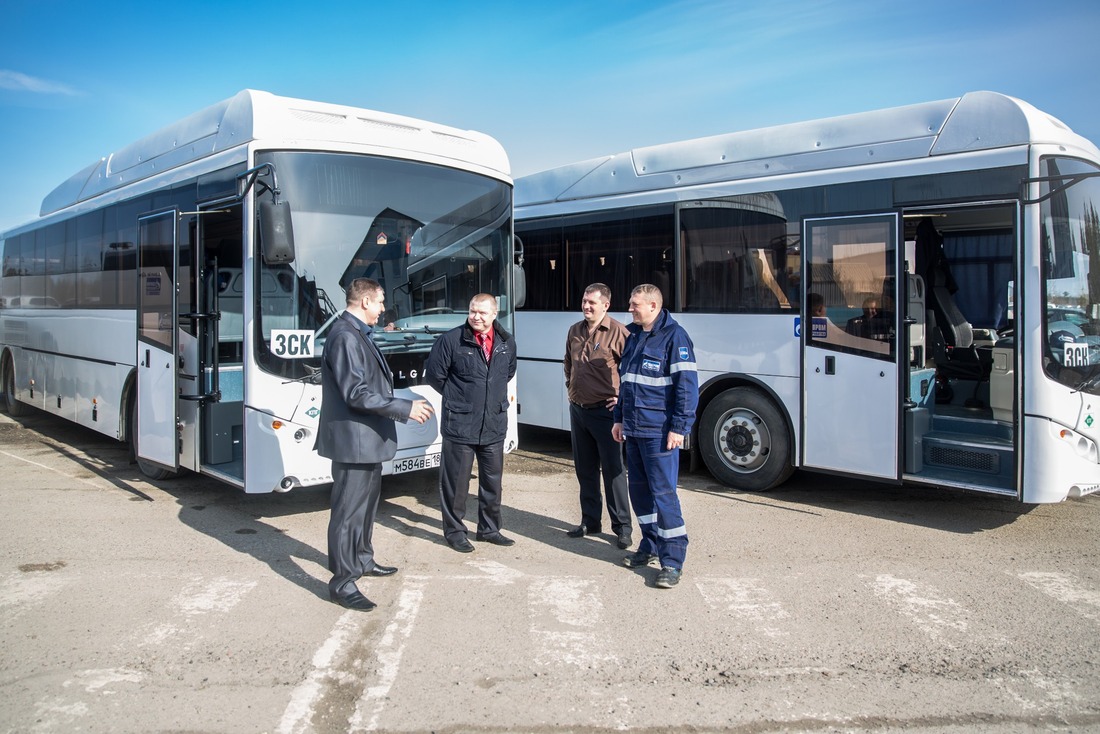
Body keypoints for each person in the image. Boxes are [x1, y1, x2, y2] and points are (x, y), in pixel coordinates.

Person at [314, 278, 434, 611]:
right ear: (365, 301)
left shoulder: (356, 333)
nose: (383, 310)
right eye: (381, 302)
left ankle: (363, 560)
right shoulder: (345, 336)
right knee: (347, 513)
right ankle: (342, 581)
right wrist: (404, 408)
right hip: (354, 441)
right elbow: (356, 393)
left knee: (365, 508)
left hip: (366, 440)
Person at [612, 284, 698, 589]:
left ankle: (672, 561)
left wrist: (679, 428)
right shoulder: (634, 335)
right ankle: (648, 545)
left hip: (659, 432)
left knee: (664, 496)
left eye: (635, 305)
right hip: (633, 430)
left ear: (653, 306)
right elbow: (626, 382)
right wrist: (619, 419)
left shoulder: (676, 338)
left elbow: (687, 388)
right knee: (640, 494)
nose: (630, 309)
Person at [426, 293, 518, 552]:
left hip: (493, 424)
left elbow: (507, 373)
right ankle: (455, 532)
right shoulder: (451, 341)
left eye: (482, 312)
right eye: (472, 311)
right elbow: (435, 376)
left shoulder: (506, 342)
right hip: (461, 424)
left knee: (492, 483)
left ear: (494, 314)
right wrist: (461, 399)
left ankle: (489, 529)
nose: (476, 317)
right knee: (456, 485)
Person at [563, 283, 632, 549]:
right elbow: (568, 362)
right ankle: (590, 521)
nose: (586, 306)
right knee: (585, 470)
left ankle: (622, 528)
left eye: (592, 302)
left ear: (606, 305)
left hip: (606, 413)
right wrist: (570, 387)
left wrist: (623, 400)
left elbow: (632, 371)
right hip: (578, 410)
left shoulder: (619, 332)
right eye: (584, 301)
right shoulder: (575, 330)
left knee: (614, 471)